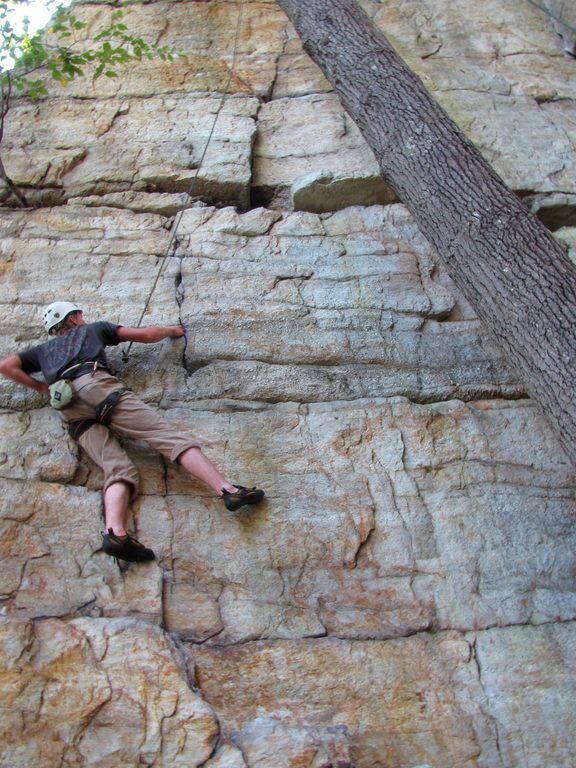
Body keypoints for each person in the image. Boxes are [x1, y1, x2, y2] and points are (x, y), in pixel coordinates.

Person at [0, 301, 265, 563]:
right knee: (168, 438)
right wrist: (173, 331)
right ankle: (228, 490)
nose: (82, 316)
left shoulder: (42, 351)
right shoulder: (93, 329)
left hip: (67, 407)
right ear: (72, 318)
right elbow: (146, 335)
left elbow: (6, 366)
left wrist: (42, 389)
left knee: (116, 469)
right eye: (78, 313)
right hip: (95, 386)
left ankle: (115, 533)